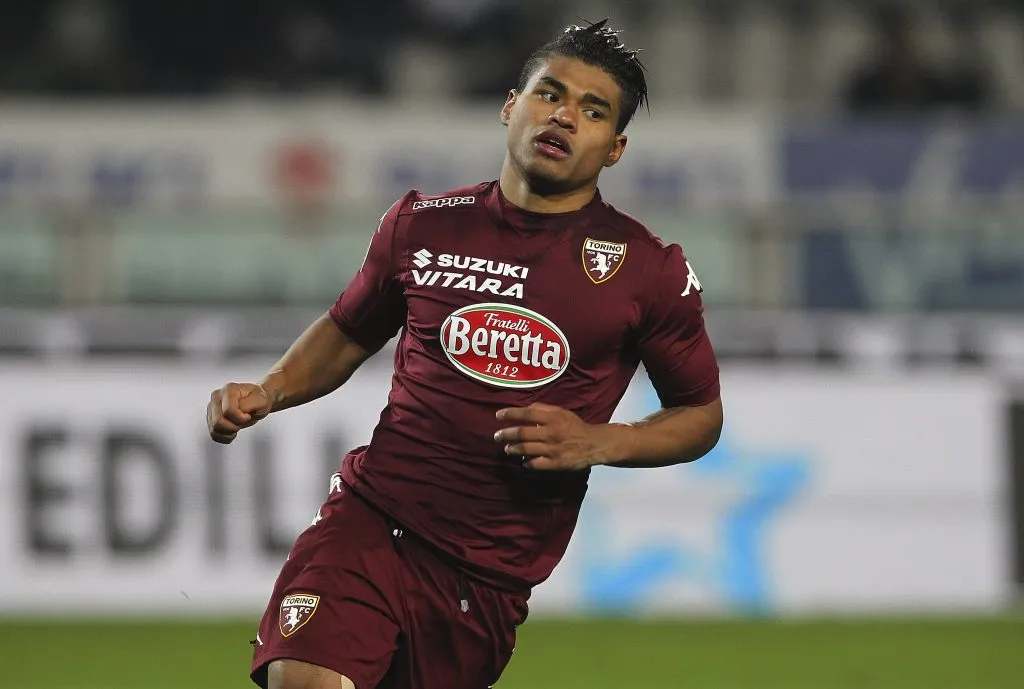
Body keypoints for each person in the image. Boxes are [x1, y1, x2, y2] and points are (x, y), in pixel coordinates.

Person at [206, 19, 723, 689]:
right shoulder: (421, 223)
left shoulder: (647, 270)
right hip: (372, 516)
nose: (564, 116)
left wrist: (598, 441)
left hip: (487, 574)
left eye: (593, 111)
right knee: (304, 679)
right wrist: (270, 388)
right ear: (511, 106)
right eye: (549, 94)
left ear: (615, 148)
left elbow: (700, 415)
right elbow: (348, 331)